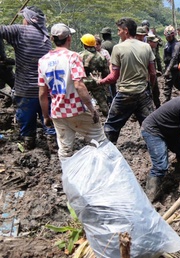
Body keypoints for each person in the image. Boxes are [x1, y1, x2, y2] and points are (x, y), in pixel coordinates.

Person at [38, 23, 106, 161]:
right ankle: (106, 173)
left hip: (58, 112)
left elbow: (42, 93)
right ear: (69, 38)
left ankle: (69, 179)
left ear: (52, 39)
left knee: (65, 150)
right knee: (100, 141)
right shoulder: (73, 57)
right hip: (77, 109)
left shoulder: (43, 61)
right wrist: (92, 109)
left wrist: (46, 116)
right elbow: (79, 85)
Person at [0, 5, 55, 149]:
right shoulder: (46, 37)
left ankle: (28, 144)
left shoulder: (20, 31)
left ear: (29, 19)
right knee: (48, 121)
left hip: (25, 90)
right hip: (46, 89)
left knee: (26, 122)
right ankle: (53, 145)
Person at [95, 17, 156, 144]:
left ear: (126, 31)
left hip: (125, 93)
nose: (118, 33)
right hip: (143, 93)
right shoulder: (146, 47)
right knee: (151, 126)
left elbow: (114, 77)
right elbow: (153, 73)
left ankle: (107, 154)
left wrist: (100, 81)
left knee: (111, 127)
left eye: (119, 30)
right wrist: (150, 88)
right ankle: (160, 156)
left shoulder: (118, 48)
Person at [79, 33, 110, 116]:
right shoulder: (101, 57)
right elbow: (106, 72)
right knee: (102, 102)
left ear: (84, 44)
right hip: (96, 82)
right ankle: (108, 117)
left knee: (80, 101)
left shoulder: (79, 56)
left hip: (83, 83)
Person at [162, 25, 180, 102]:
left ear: (173, 35)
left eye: (169, 37)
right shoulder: (168, 43)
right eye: (167, 36)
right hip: (170, 66)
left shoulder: (176, 44)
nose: (168, 38)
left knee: (167, 86)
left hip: (172, 68)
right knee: (178, 85)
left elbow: (174, 58)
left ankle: (165, 102)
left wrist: (168, 70)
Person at [146, 34, 162, 108]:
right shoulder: (146, 51)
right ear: (149, 42)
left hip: (153, 74)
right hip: (148, 76)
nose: (156, 43)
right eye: (154, 42)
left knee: (156, 93)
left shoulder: (152, 50)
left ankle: (158, 107)